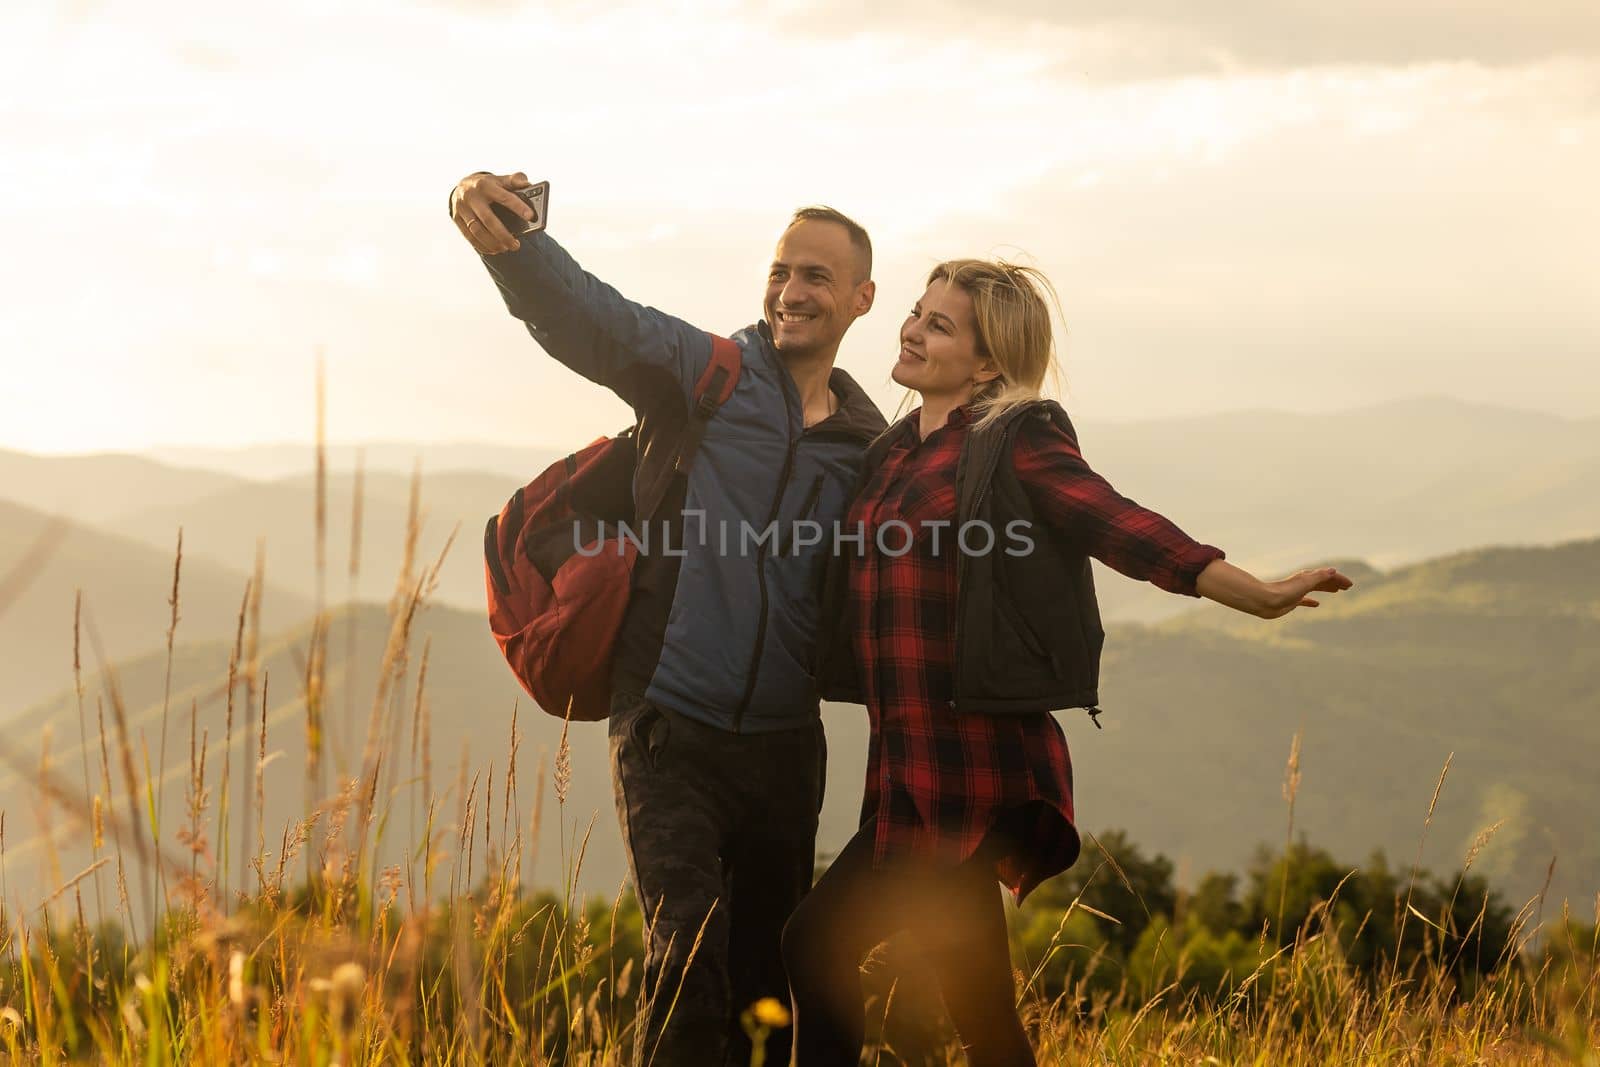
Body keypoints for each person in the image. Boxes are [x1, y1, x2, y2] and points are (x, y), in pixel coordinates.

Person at [786, 258, 1353, 1066]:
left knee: (816, 943)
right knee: (981, 1013)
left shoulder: (1014, 436)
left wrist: (1250, 592)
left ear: (987, 362)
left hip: (974, 770)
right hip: (906, 771)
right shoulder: (888, 453)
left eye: (938, 324)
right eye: (916, 312)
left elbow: (1115, 522)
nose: (911, 328)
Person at [449, 171, 888, 1065]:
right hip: (667, 725)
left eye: (815, 277)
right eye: (780, 271)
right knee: (688, 960)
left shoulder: (866, 448)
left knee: (768, 983)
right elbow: (595, 320)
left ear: (860, 300)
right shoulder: (710, 375)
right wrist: (513, 244)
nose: (791, 292)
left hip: (785, 746)